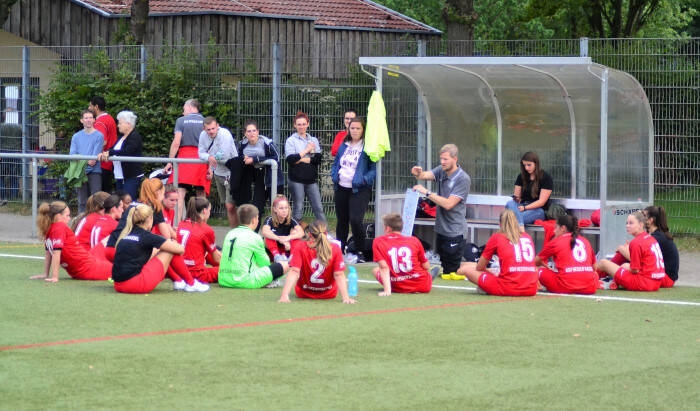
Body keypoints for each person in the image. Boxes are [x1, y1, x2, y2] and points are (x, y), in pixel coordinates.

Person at [411, 143, 471, 280]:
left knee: (453, 272)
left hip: (455, 231)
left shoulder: (463, 178)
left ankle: (479, 271)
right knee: (446, 273)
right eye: (441, 159)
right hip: (441, 229)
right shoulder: (441, 170)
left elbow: (449, 204)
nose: (442, 162)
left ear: (455, 159)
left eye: (445, 159)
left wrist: (426, 192)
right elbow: (423, 175)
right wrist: (417, 173)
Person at [111, 204, 190, 294]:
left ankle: (179, 281)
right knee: (170, 249)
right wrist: (172, 242)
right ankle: (190, 283)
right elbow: (181, 250)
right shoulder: (147, 236)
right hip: (134, 285)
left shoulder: (126, 234)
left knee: (162, 249)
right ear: (150, 219)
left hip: (118, 286)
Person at [458, 210, 538, 296]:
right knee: (473, 266)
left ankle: (485, 286)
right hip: (531, 289)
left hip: (509, 288)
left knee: (466, 269)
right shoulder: (527, 237)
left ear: (500, 224)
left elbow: (480, 267)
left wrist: (490, 272)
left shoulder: (497, 237)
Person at [30, 201, 112, 282]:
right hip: (87, 268)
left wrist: (46, 274)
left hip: (86, 263)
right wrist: (54, 277)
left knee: (108, 242)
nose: (69, 218)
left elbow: (49, 252)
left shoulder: (51, 228)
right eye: (67, 215)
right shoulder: (59, 227)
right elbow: (54, 253)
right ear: (58, 216)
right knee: (117, 270)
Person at [278, 219, 356, 303]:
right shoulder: (335, 248)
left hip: (303, 294)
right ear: (326, 234)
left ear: (309, 234)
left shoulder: (300, 246)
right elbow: (339, 275)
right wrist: (346, 298)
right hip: (329, 294)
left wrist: (284, 295)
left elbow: (294, 271)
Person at [331, 117, 376, 261]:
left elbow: (373, 169)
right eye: (352, 128)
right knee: (342, 220)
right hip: (341, 187)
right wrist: (334, 175)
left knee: (356, 220)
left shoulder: (367, 147)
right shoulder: (344, 145)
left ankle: (360, 251)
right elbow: (336, 163)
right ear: (349, 129)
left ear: (363, 130)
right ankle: (340, 250)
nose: (355, 131)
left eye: (358, 128)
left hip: (359, 190)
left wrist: (364, 180)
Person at [218, 204, 289, 289]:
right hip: (245, 281)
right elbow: (265, 263)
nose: (258, 221)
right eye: (258, 218)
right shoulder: (255, 237)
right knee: (284, 264)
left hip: (223, 280)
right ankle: (271, 281)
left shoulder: (230, 233)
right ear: (254, 220)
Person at [596, 211, 666, 292]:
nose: (627, 226)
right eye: (627, 223)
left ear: (641, 225)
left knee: (603, 263)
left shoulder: (636, 242)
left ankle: (589, 278)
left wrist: (626, 266)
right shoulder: (651, 238)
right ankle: (608, 280)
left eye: (631, 223)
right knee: (621, 263)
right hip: (656, 283)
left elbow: (635, 270)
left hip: (643, 283)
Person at [372, 213, 438, 296]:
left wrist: (387, 290)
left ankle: (393, 285)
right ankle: (428, 278)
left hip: (397, 286)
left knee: (376, 270)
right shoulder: (414, 240)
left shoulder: (378, 241)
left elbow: (383, 267)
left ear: (387, 228)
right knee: (419, 264)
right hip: (422, 286)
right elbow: (426, 266)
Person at [164, 99, 207, 221]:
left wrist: (170, 161)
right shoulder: (206, 122)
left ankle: (176, 225)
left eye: (184, 109)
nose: (183, 112)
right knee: (201, 194)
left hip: (184, 158)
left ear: (190, 107)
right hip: (202, 158)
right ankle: (201, 224)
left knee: (180, 193)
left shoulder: (181, 120)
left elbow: (176, 142)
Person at [535, 214, 599, 295]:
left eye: (556, 227)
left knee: (538, 270)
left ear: (563, 228)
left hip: (566, 286)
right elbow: (594, 267)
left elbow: (535, 261)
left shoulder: (556, 242)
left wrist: (544, 265)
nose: (554, 231)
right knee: (594, 275)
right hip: (589, 288)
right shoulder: (585, 241)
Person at [239, 119, 284, 228]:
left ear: (258, 131)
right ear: (245, 133)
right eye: (249, 131)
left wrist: (255, 159)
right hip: (259, 179)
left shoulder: (267, 143)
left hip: (273, 179)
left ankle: (278, 234)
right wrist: (243, 159)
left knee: (278, 209)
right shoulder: (242, 144)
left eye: (254, 130)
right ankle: (253, 234)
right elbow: (239, 158)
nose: (252, 133)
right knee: (256, 209)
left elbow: (276, 158)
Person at [284, 111, 326, 223]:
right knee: (298, 209)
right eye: (299, 124)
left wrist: (302, 159)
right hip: (296, 180)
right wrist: (306, 150)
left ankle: (324, 231)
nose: (301, 126)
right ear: (295, 125)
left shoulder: (314, 140)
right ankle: (295, 231)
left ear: (308, 124)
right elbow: (291, 160)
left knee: (319, 208)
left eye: (304, 124)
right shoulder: (291, 141)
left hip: (311, 180)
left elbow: (318, 159)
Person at [198, 116, 238, 227]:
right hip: (218, 173)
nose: (211, 131)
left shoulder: (225, 134)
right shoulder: (202, 135)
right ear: (204, 129)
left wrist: (210, 158)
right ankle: (234, 229)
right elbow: (201, 153)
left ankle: (236, 232)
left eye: (213, 128)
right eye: (208, 129)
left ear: (218, 126)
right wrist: (209, 158)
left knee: (230, 205)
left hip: (232, 172)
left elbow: (224, 154)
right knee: (227, 205)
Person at [97, 110, 143, 201]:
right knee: (120, 203)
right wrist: (105, 152)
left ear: (128, 124)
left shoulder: (135, 136)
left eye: (120, 123)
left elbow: (127, 151)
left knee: (128, 202)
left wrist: (110, 152)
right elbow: (113, 149)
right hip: (120, 175)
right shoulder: (121, 137)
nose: (118, 125)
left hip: (130, 176)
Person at [176, 197, 221, 283]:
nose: (209, 213)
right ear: (204, 211)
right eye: (209, 210)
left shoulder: (182, 224)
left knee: (208, 253)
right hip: (197, 274)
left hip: (180, 271)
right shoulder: (206, 229)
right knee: (229, 270)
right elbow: (216, 259)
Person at [505, 151, 553, 231]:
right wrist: (516, 199)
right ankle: (521, 229)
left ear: (536, 164)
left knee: (512, 219)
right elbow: (517, 197)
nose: (526, 168)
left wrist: (525, 208)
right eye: (524, 165)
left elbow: (542, 202)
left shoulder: (545, 177)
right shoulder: (521, 177)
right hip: (522, 207)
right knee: (510, 203)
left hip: (538, 210)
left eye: (529, 165)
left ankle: (520, 230)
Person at [69, 110, 104, 213]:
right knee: (81, 201)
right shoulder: (76, 136)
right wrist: (86, 161)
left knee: (96, 200)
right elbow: (72, 155)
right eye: (86, 118)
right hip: (80, 172)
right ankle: (81, 221)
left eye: (90, 118)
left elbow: (93, 159)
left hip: (94, 171)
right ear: (81, 120)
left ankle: (95, 220)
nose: (88, 120)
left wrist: (82, 160)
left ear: (94, 120)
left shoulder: (99, 136)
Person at [260, 195, 304, 262]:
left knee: (295, 232)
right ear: (275, 209)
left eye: (286, 208)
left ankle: (293, 256)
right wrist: (279, 239)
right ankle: (277, 256)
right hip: (272, 251)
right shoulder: (270, 219)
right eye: (281, 208)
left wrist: (288, 238)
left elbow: (301, 233)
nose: (284, 211)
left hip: (286, 248)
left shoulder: (291, 220)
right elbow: (264, 232)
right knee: (269, 234)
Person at [644, 205, 679, 288]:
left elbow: (638, 258)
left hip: (666, 278)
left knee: (628, 265)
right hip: (663, 275)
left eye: (643, 216)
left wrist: (623, 249)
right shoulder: (657, 235)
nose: (640, 219)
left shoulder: (657, 238)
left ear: (651, 220)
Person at [89, 96, 118, 192]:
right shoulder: (109, 118)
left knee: (100, 195)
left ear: (96, 107)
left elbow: (102, 142)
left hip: (101, 163)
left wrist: (93, 157)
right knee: (106, 192)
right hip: (108, 162)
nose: (89, 108)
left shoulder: (100, 122)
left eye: (90, 106)